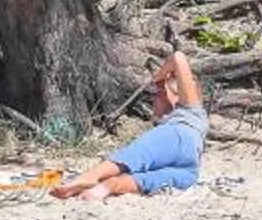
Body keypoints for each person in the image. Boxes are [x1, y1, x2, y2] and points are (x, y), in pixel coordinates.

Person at [52, 50, 207, 200]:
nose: (155, 100)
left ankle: (91, 176)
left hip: (179, 137)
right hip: (190, 166)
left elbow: (178, 58)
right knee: (148, 180)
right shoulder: (185, 123)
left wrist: (158, 78)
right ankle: (110, 186)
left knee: (139, 154)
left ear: (178, 95)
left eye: (159, 93)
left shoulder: (189, 111)